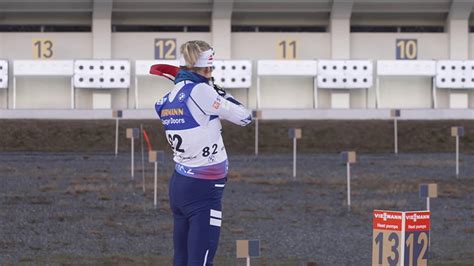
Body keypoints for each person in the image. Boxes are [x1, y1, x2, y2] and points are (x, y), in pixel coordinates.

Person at [155, 40, 252, 266]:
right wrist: (220, 92)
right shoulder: (201, 91)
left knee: (182, 258)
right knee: (201, 261)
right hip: (203, 189)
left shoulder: (168, 97)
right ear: (207, 68)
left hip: (180, 184)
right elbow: (245, 117)